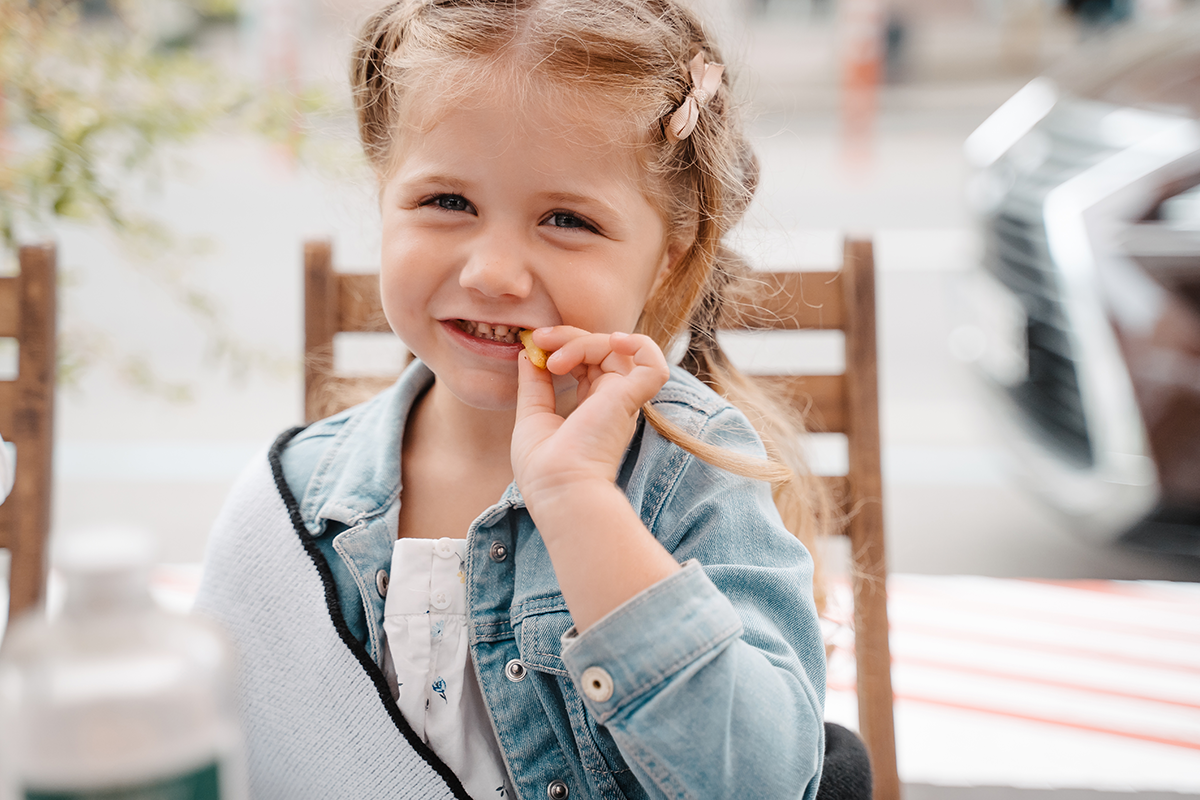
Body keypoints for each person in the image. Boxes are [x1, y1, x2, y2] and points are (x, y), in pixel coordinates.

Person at [196, 1, 837, 798]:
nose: (493, 272)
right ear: (382, 195)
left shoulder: (693, 481)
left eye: (566, 219)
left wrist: (577, 504)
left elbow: (765, 782)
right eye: (447, 203)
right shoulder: (295, 503)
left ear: (667, 263)